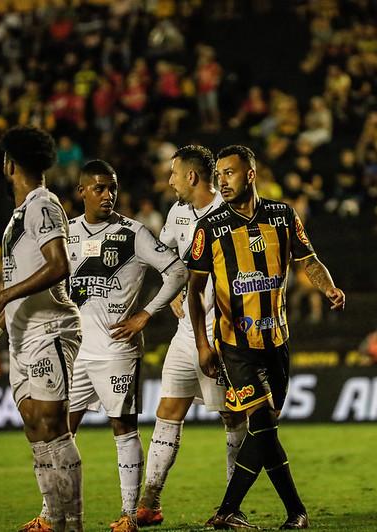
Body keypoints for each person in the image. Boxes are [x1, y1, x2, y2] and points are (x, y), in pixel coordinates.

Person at [187, 145, 345, 529]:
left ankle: (296, 513)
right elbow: (193, 291)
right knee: (260, 423)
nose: (221, 181)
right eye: (219, 174)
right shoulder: (209, 228)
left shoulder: (283, 215)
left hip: (277, 340)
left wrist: (329, 287)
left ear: (250, 175)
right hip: (236, 345)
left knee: (265, 429)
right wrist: (203, 344)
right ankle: (228, 510)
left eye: (230, 173)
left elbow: (309, 260)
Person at [62, 159, 188, 532]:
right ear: (81, 191)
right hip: (77, 350)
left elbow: (177, 271)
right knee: (61, 432)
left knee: (123, 426)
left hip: (118, 349)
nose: (107, 194)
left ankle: (129, 515)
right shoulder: (67, 234)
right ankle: (55, 513)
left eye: (112, 187)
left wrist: (146, 314)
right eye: (99, 187)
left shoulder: (133, 233)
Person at [0, 126, 83, 532]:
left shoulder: (43, 205)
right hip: (20, 333)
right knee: (35, 426)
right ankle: (52, 518)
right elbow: (25, 275)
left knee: (54, 425)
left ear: (8, 164)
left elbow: (58, 267)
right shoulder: (20, 215)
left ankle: (73, 524)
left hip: (50, 328)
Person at [136, 146, 248, 527]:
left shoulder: (231, 216)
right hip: (187, 331)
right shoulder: (178, 214)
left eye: (173, 174)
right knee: (168, 410)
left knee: (233, 418)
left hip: (225, 333)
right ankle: (149, 501)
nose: (169, 181)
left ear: (192, 177)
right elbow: (168, 259)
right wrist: (171, 299)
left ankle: (232, 506)